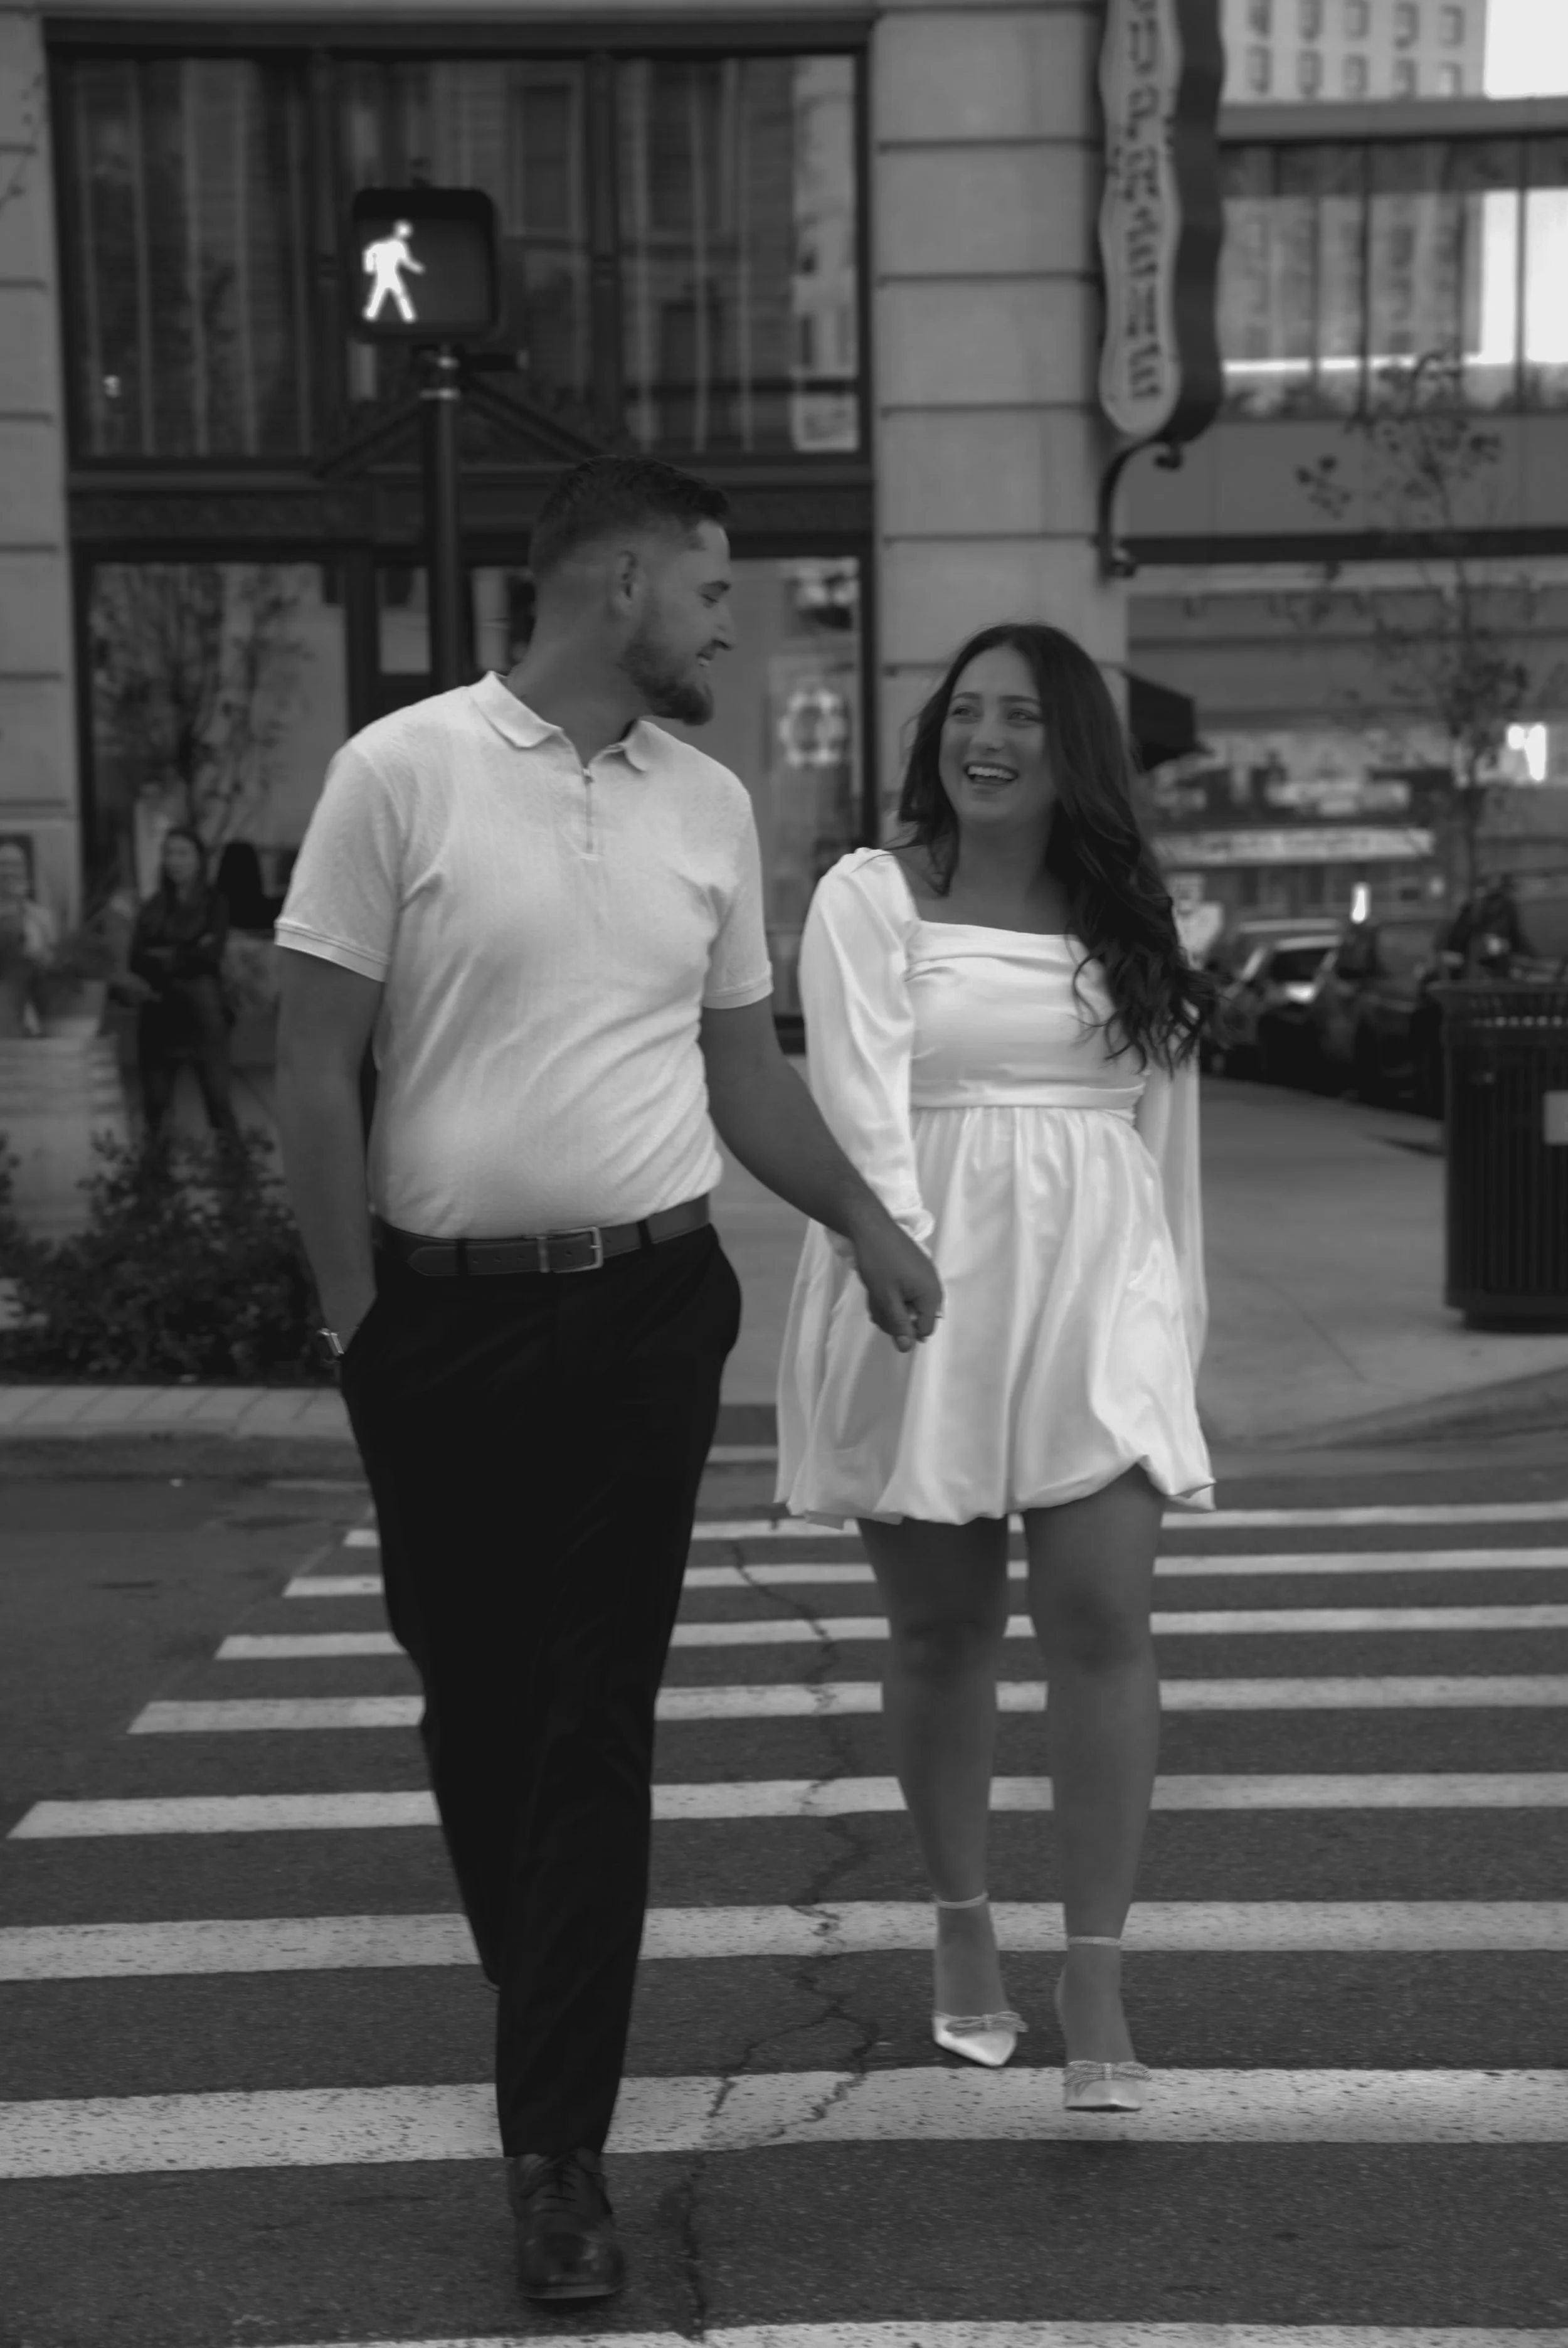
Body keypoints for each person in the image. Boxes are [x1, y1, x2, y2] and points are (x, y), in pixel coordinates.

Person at [272, 455, 941, 2307]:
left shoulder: (711, 805)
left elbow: (741, 1076)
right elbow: (311, 1064)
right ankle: (553, 1991)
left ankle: (554, 2145)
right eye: (711, 591)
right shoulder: (397, 774)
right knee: (478, 1714)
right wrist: (355, 1320)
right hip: (442, 1329)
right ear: (616, 581)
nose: (728, 621)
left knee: (592, 1728)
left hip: (647, 1317)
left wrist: (867, 1225)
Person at [777, 621, 1217, 2114]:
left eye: (1022, 715)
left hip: (1100, 1283)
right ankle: (964, 1919)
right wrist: (895, 1265)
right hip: (928, 1276)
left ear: (1071, 742)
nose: (987, 737)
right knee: (943, 1632)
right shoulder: (874, 893)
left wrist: (1178, 1337)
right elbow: (856, 1104)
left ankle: (1094, 1961)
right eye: (966, 710)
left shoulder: (1133, 914)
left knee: (1104, 1613)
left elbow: (1168, 1146)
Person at [128, 826, 240, 1156]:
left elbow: (210, 954)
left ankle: (238, 1191)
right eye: (169, 853)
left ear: (199, 859)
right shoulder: (153, 906)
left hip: (204, 1016)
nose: (175, 861)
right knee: (156, 1110)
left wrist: (164, 955)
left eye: (183, 853)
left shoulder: (215, 903)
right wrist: (185, 952)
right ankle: (154, 1194)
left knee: (219, 1104)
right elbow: (137, 959)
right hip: (160, 1016)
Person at [0, 835, 56, 1036]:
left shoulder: (41, 918)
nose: (9, 871)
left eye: (15, 865)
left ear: (25, 871)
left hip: (24, 1014)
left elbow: (51, 966)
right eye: (3, 864)